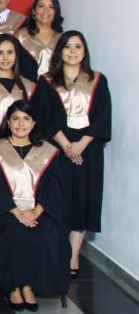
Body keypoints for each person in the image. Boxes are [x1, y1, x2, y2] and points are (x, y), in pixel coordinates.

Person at [37, 31, 111, 278]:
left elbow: (102, 117)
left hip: (89, 150)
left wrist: (82, 145)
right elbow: (44, 116)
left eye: (78, 47)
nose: (72, 51)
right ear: (60, 51)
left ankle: (73, 255)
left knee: (84, 199)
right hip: (57, 147)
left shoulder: (98, 80)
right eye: (67, 46)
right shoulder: (47, 81)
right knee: (60, 197)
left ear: (84, 51)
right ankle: (56, 251)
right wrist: (68, 146)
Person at [0, 100, 70, 309]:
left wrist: (36, 211)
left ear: (34, 123)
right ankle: (13, 287)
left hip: (39, 211)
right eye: (15, 119)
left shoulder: (49, 151)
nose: (20, 124)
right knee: (13, 233)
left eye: (26, 119)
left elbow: (55, 188)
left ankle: (29, 286)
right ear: (8, 122)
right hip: (6, 210)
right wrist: (16, 211)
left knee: (46, 234)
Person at [17, 0, 64, 79]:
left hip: (55, 86)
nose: (46, 11)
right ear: (34, 11)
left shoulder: (62, 38)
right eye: (41, 6)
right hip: (27, 85)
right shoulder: (21, 35)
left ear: (56, 12)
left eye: (51, 7)